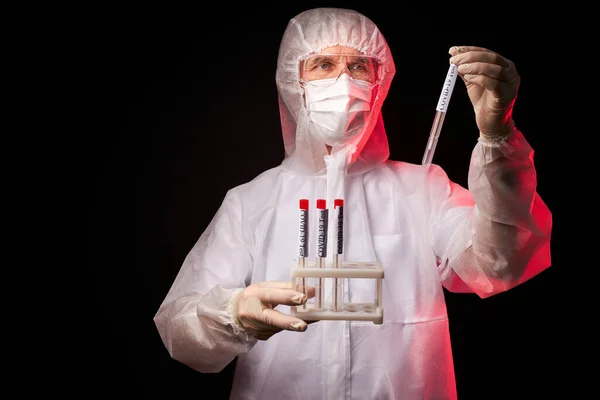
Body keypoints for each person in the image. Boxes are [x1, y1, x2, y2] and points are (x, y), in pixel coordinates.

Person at [153, 7, 552, 400]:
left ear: (380, 80)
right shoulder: (252, 202)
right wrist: (234, 314)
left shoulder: (423, 188)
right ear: (294, 82)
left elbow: (501, 262)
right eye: (323, 65)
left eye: (359, 67)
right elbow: (181, 332)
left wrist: (498, 137)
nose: (343, 82)